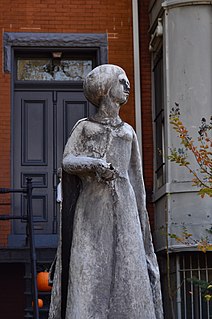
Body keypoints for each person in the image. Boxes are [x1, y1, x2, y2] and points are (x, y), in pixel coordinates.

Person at [48, 64, 163, 319]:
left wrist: (142, 222)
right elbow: (67, 161)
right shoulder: (86, 128)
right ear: (105, 89)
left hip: (125, 209)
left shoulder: (128, 133)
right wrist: (95, 165)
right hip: (92, 210)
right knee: (89, 267)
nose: (128, 86)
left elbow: (136, 179)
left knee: (128, 267)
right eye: (121, 81)